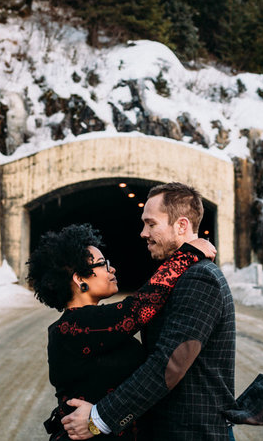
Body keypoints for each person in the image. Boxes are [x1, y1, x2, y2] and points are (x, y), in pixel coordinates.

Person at [62, 182, 237, 441]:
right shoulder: (176, 276)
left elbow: (169, 363)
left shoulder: (199, 278)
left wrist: (98, 418)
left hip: (192, 433)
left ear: (182, 225)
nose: (143, 233)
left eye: (151, 224)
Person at [27, 222, 216, 440]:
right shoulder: (73, 327)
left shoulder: (93, 323)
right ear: (80, 279)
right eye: (102, 264)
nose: (112, 268)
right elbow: (139, 309)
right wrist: (187, 255)